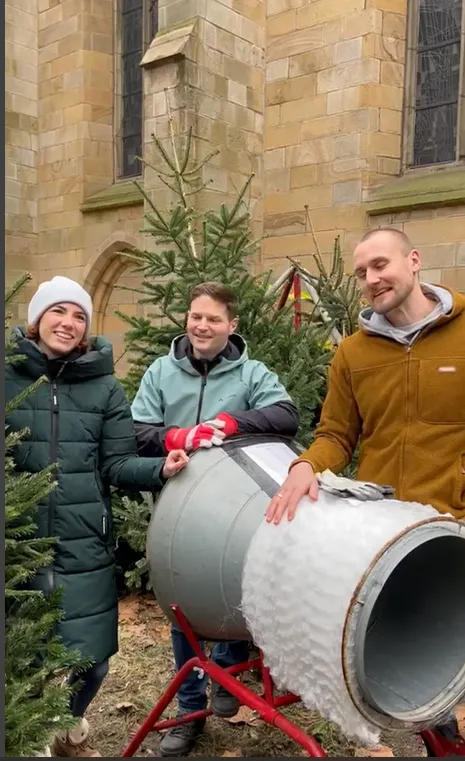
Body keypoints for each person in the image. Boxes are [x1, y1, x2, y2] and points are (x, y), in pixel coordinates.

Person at [265, 227, 465, 755]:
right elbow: (336, 434)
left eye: (380, 265)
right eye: (361, 273)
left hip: (456, 518)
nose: (371, 279)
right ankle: (441, 736)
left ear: (414, 260)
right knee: (425, 640)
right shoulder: (353, 353)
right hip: (388, 531)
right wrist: (306, 466)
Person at [5, 276, 189, 758]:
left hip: (83, 538)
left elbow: (117, 463)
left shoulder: (104, 387)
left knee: (94, 661)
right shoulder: (7, 377)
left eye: (79, 316)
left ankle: (67, 728)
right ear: (37, 318)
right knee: (25, 657)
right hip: (18, 542)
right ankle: (28, 739)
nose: (68, 323)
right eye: (58, 311)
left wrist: (160, 468)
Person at [131, 281, 299, 756]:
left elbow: (286, 415)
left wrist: (232, 423)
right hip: (178, 506)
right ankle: (189, 710)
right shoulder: (161, 372)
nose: (202, 326)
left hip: (232, 510)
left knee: (232, 587)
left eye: (213, 319)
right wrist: (177, 437)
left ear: (232, 325)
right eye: (196, 316)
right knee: (182, 606)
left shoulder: (251, 373)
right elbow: (137, 430)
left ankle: (228, 670)